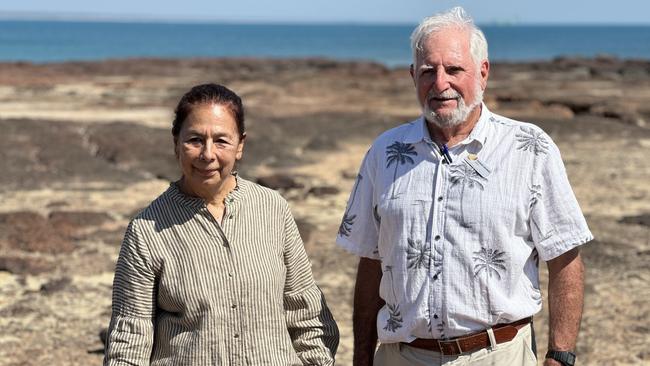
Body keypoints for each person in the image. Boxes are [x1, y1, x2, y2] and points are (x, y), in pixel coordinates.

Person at [336, 7, 592, 366]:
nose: (440, 84)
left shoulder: (530, 148)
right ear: (413, 76)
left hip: (498, 354)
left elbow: (564, 256)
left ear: (483, 73)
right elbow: (371, 260)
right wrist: (362, 356)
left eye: (454, 69)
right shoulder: (385, 152)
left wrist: (560, 355)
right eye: (428, 71)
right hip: (401, 356)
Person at [104, 83, 339, 365]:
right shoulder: (146, 231)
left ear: (240, 145)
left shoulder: (272, 209)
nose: (207, 154)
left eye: (221, 141)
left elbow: (306, 313)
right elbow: (129, 338)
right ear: (175, 142)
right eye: (194, 139)